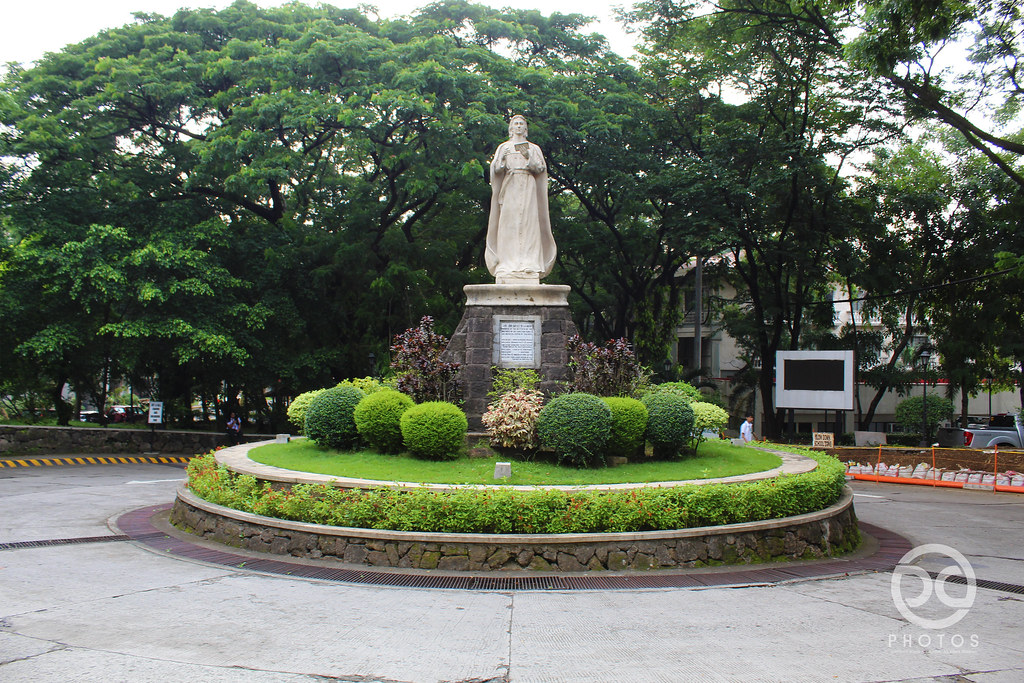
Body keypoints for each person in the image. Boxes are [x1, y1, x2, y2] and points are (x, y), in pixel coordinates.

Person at [485, 115, 557, 283]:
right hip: (510, 186)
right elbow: (496, 170)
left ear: (525, 129)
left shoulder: (533, 148)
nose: (518, 126)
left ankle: (530, 263)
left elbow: (540, 168)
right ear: (511, 128)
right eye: (515, 124)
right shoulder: (504, 147)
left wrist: (529, 157)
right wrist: (502, 160)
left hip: (528, 186)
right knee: (508, 224)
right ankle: (507, 263)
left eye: (521, 124)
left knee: (529, 223)